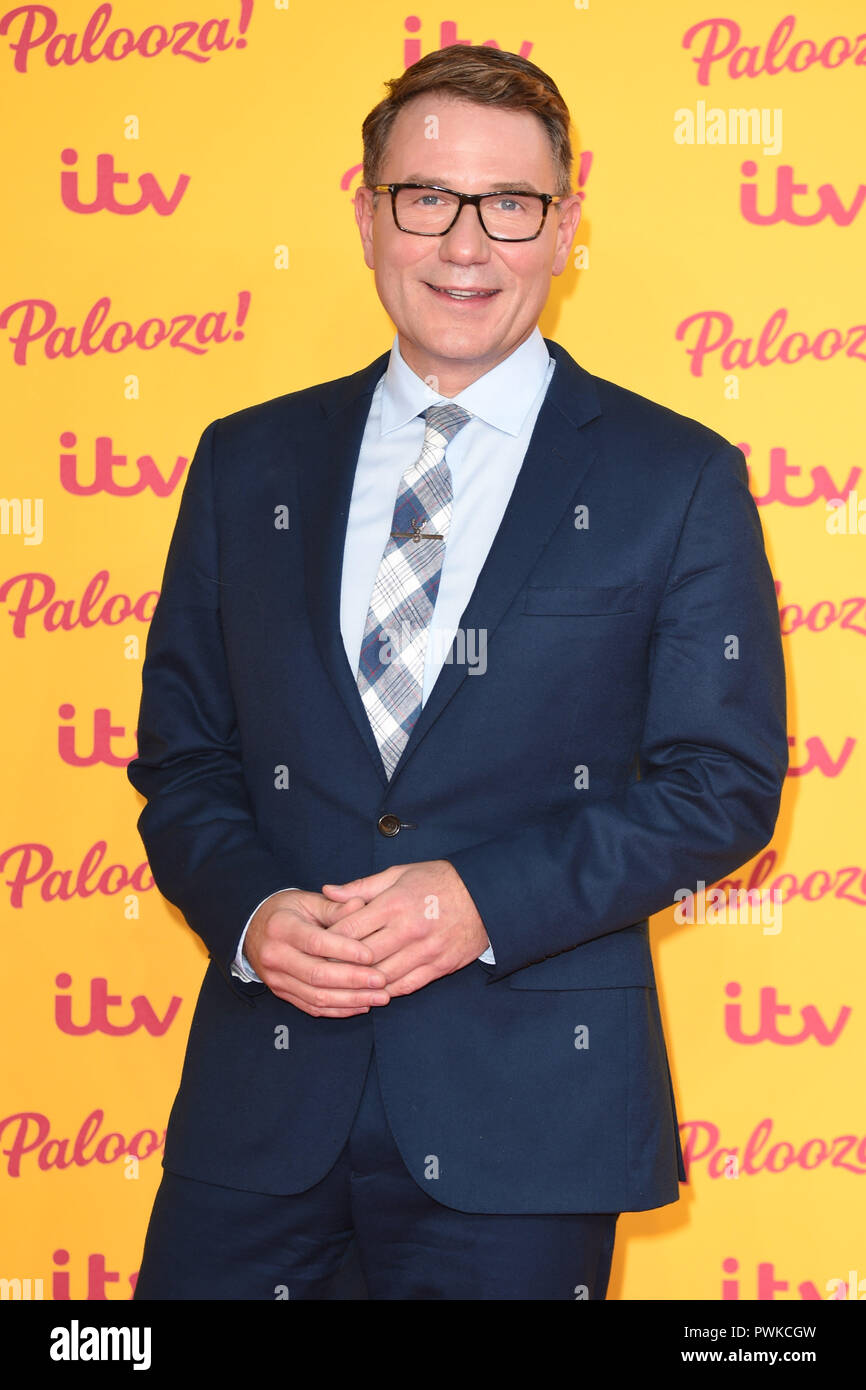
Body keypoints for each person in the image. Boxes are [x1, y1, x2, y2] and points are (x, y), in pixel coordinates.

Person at [127, 44, 787, 1301]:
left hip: (528, 1127)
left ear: (564, 226)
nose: (464, 243)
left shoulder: (674, 475)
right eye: (425, 197)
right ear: (367, 213)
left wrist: (484, 898)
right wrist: (256, 916)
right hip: (256, 1118)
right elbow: (186, 759)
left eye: (510, 204)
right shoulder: (243, 462)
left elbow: (720, 784)